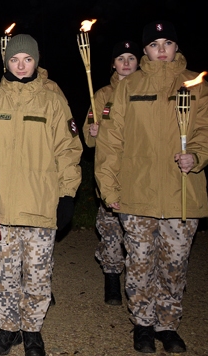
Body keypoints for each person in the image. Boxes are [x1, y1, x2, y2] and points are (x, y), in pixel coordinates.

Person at [95, 21, 208, 354]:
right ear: (145, 50)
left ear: (176, 47)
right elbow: (110, 141)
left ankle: (168, 324)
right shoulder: (129, 86)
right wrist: (109, 189)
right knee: (139, 263)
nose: (161, 49)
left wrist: (197, 155)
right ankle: (143, 324)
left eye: (167, 43)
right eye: (153, 45)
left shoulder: (197, 86)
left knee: (174, 265)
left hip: (182, 195)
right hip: (138, 195)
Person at [0, 34, 82, 356]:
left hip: (40, 203)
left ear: (36, 61)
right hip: (1, 205)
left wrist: (67, 194)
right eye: (15, 60)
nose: (21, 66)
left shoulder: (52, 101)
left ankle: (32, 331)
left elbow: (69, 150)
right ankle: (9, 328)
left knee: (37, 274)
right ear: (7, 62)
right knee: (4, 274)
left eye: (27, 60)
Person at [82, 40, 141, 306]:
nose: (126, 63)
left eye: (131, 57)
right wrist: (92, 132)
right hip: (110, 175)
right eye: (121, 58)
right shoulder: (102, 94)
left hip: (140, 176)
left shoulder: (145, 92)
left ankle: (138, 285)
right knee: (111, 231)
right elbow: (88, 137)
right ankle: (112, 278)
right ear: (113, 64)